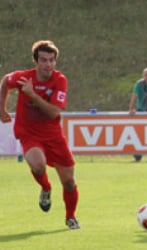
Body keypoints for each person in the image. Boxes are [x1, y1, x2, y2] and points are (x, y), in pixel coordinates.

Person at [0, 40, 80, 229]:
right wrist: (1, 108)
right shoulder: (23, 77)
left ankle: (70, 216)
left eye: (51, 60)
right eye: (43, 60)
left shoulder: (60, 80)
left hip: (53, 135)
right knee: (38, 165)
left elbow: (54, 112)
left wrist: (32, 94)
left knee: (69, 182)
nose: (48, 65)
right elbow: (5, 81)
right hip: (29, 133)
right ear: (35, 61)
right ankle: (46, 187)